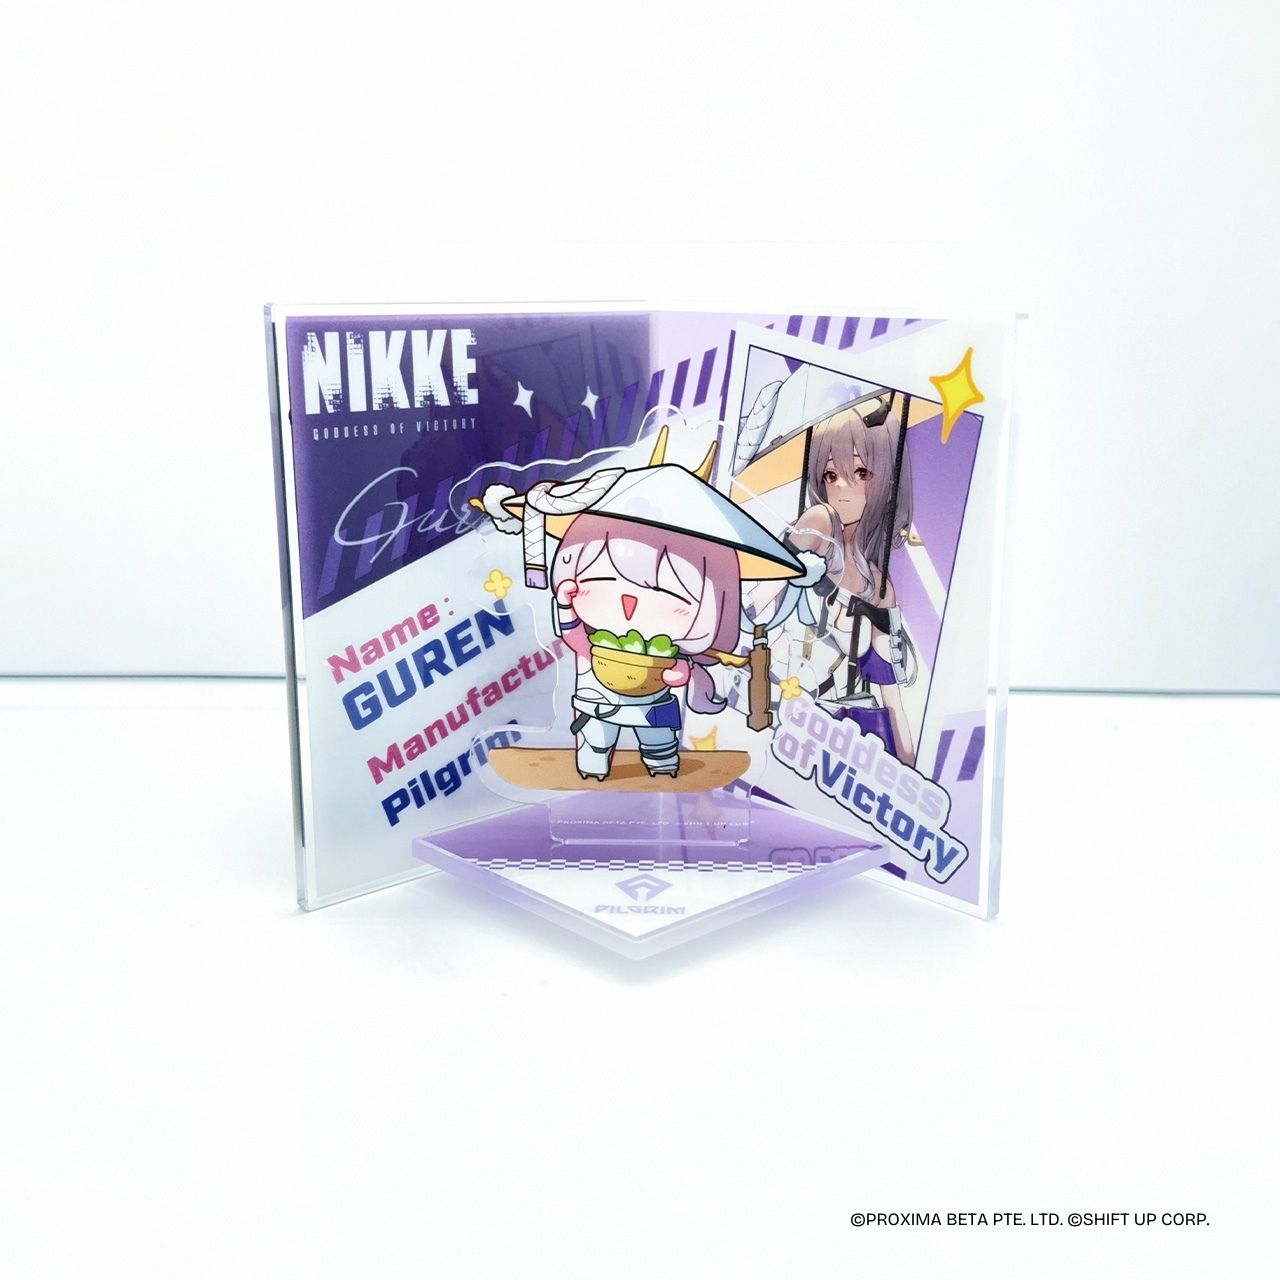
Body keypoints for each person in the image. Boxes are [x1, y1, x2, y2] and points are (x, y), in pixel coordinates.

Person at [788, 401, 917, 765]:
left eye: (860, 472)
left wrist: (911, 772)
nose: (842, 488)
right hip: (789, 713)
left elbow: (891, 698)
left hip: (850, 736)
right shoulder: (818, 524)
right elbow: (763, 593)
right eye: (831, 475)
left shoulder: (878, 585)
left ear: (886, 481)